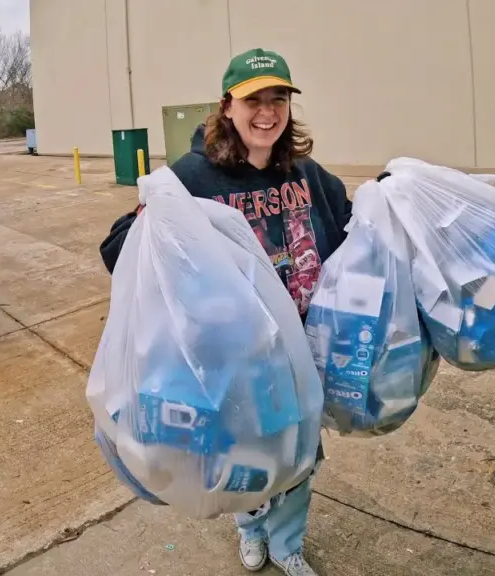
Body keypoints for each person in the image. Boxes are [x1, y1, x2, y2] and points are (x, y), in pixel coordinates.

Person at [99, 48, 352, 576]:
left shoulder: (306, 174)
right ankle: (250, 528)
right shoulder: (193, 177)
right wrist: (153, 224)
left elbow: (349, 227)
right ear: (227, 107)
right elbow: (117, 246)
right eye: (253, 99)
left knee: (299, 456)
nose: (267, 112)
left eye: (278, 98)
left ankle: (287, 546)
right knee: (245, 456)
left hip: (300, 352)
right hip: (236, 360)